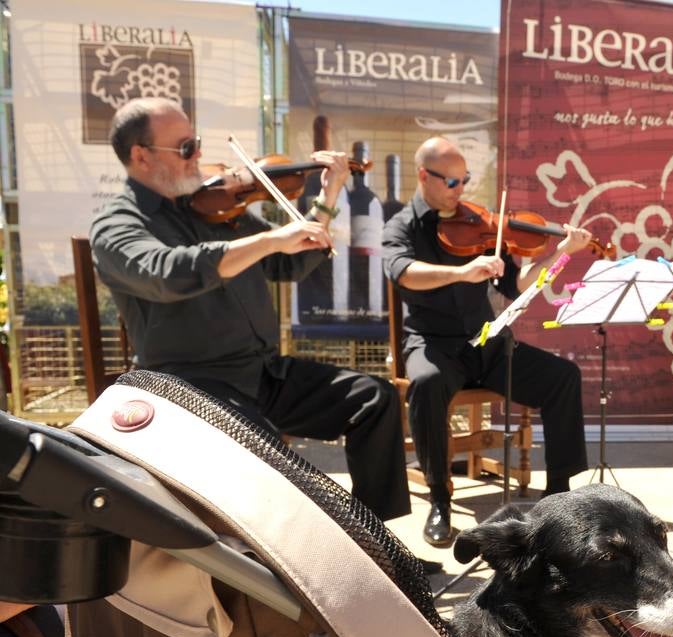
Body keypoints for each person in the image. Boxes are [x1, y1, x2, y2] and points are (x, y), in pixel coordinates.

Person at [89, 100, 431, 562]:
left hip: (263, 372)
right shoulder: (117, 225)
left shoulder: (217, 209)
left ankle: (377, 550)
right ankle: (293, 564)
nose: (197, 157)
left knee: (374, 398)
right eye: (185, 147)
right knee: (269, 453)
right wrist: (269, 237)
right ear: (141, 155)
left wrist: (327, 198)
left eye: (197, 145)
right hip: (191, 383)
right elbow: (165, 272)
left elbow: (289, 262)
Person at [381, 136, 590, 548]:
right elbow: (403, 273)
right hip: (432, 342)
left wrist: (559, 255)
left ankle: (560, 493)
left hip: (487, 340)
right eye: (452, 182)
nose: (461, 191)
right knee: (426, 384)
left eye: (465, 180)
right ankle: (440, 498)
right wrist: (462, 272)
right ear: (424, 176)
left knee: (563, 376)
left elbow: (517, 284)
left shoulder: (481, 224)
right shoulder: (400, 226)